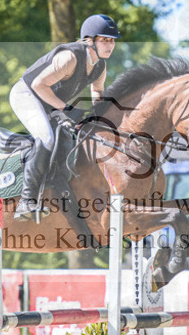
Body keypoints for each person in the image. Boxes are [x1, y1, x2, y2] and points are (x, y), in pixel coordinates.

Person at [9, 14, 121, 221]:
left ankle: (54, 190)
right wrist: (66, 109)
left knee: (69, 140)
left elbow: (97, 92)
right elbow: (38, 85)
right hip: (26, 95)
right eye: (105, 39)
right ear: (90, 40)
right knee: (47, 138)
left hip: (49, 101)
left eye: (112, 40)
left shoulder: (100, 66)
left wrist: (102, 116)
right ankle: (26, 201)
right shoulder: (70, 57)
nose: (111, 45)